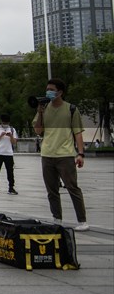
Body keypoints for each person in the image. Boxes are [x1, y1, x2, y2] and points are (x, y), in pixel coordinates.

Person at [34, 78, 88, 230]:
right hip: (47, 154)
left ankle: (82, 221)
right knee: (51, 190)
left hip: (65, 154)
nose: (48, 92)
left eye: (52, 89)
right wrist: (39, 113)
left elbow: (77, 133)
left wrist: (80, 154)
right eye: (47, 89)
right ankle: (57, 218)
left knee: (72, 187)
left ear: (60, 92)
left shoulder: (71, 109)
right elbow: (38, 131)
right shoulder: (44, 109)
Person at [0, 112, 17, 196]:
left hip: (8, 153)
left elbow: (14, 142)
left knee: (10, 171)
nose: (5, 124)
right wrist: (1, 136)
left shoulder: (12, 130)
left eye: (6, 123)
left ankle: (11, 187)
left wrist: (11, 136)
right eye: (4, 123)